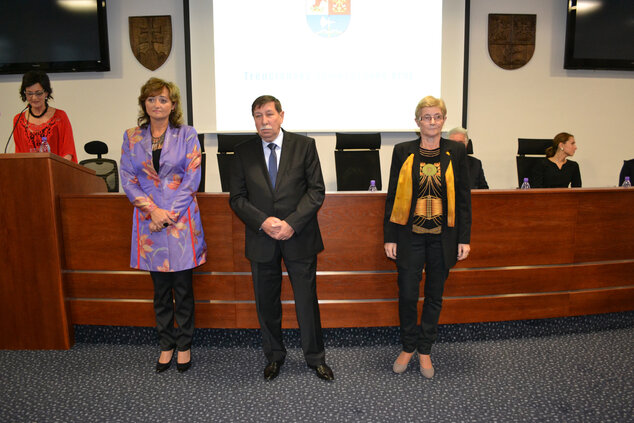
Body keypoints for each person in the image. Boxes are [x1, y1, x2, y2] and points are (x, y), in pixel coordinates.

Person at [229, 95, 334, 381]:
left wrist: (292, 223)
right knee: (266, 302)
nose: (264, 121)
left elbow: (316, 191)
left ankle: (315, 358)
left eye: (269, 114)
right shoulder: (242, 151)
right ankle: (274, 356)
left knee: (306, 300)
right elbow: (237, 198)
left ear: (281, 115)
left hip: (299, 236)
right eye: (258, 116)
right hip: (261, 237)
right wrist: (263, 221)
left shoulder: (305, 146)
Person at [120, 78, 207, 373]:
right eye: (152, 99)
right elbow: (128, 179)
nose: (157, 104)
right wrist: (153, 211)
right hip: (149, 223)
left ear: (173, 105)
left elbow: (192, 178)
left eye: (163, 100)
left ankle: (184, 345)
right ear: (144, 103)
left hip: (180, 221)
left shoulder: (187, 134)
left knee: (182, 289)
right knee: (159, 291)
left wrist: (168, 213)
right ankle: (165, 343)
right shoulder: (132, 137)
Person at [384, 96, 471, 379]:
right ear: (417, 121)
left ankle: (424, 349)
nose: (431, 122)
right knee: (408, 295)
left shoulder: (456, 152)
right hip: (410, 236)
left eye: (437, 117)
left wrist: (464, 238)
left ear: (443, 120)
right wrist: (390, 236)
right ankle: (408, 346)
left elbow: (464, 199)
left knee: (434, 296)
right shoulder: (403, 151)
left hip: (443, 237)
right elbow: (393, 197)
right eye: (426, 117)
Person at [13, 70, 77, 162]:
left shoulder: (60, 117)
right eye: (29, 93)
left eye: (38, 93)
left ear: (46, 92)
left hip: (55, 172)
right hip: (28, 173)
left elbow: (68, 152)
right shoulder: (18, 120)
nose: (34, 98)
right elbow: (18, 154)